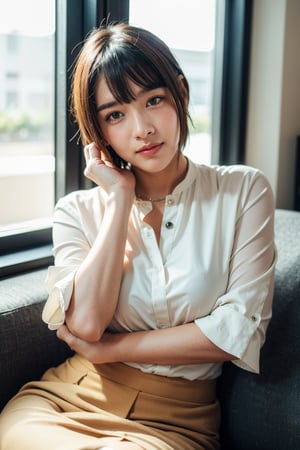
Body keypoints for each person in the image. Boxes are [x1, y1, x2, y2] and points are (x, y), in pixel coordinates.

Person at [0, 22, 276, 450]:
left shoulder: (243, 191)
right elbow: (86, 323)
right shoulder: (76, 211)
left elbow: (236, 331)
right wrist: (120, 200)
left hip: (176, 424)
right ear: (99, 132)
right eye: (115, 114)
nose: (142, 128)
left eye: (154, 100)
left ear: (180, 93)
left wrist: (110, 349)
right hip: (65, 401)